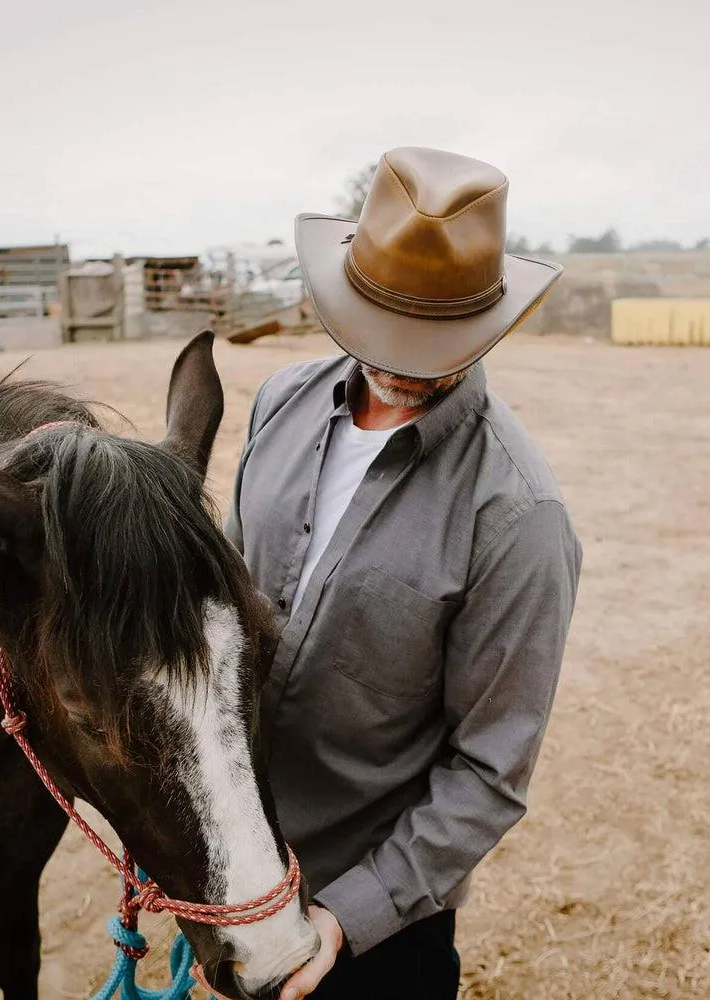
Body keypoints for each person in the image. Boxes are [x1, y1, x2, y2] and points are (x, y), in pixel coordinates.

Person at [225, 147, 582, 1000]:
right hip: (230, 872)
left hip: (374, 936)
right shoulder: (280, 401)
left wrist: (344, 917)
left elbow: (488, 773)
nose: (399, 359)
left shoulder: (520, 518)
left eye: (432, 337)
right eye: (380, 326)